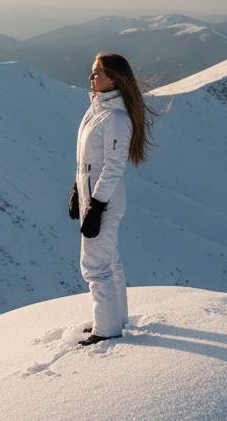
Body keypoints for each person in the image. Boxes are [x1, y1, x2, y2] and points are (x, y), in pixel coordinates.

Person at [69, 53, 156, 346]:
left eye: (97, 73)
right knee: (110, 260)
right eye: (92, 72)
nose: (91, 77)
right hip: (93, 196)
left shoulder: (116, 119)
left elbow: (113, 167)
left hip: (104, 200)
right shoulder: (97, 111)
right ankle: (115, 319)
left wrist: (96, 205)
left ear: (114, 79)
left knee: (95, 265)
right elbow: (87, 159)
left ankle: (106, 330)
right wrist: (76, 190)